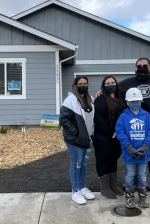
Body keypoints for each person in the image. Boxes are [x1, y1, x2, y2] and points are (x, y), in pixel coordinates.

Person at [116, 88, 150, 208]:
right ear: (127, 102)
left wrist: (145, 146)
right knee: (130, 175)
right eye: (133, 101)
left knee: (142, 175)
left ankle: (143, 196)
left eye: (138, 100)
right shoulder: (123, 116)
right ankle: (129, 196)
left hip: (143, 153)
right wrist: (129, 148)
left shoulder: (146, 115)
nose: (135, 103)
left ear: (141, 101)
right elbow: (120, 132)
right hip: (129, 154)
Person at [59, 76, 95, 205]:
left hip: (88, 139)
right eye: (81, 83)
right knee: (76, 164)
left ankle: (82, 188)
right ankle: (75, 192)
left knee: (84, 165)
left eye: (85, 83)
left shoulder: (90, 99)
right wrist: (77, 133)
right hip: (75, 140)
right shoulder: (70, 100)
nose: (83, 85)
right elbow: (63, 120)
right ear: (75, 85)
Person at [93, 75, 127, 199]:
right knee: (103, 160)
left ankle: (113, 185)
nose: (110, 85)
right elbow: (98, 118)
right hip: (104, 136)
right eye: (107, 83)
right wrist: (110, 132)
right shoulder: (100, 99)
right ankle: (105, 188)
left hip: (118, 136)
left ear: (117, 84)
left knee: (113, 160)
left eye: (112, 82)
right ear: (103, 86)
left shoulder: (121, 98)